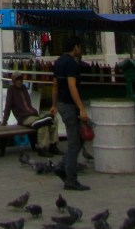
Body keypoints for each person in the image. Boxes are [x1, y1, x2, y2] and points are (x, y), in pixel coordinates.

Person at [52, 36, 90, 192]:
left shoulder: (58, 62)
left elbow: (54, 84)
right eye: (79, 47)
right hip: (69, 104)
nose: (79, 50)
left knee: (78, 139)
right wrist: (81, 107)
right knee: (74, 142)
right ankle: (71, 179)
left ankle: (63, 166)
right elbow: (72, 86)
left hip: (61, 103)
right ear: (75, 47)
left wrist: (54, 105)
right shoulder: (71, 64)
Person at [1, 71, 61, 157]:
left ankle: (53, 145)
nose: (20, 81)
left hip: (33, 115)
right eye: (17, 80)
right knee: (43, 123)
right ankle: (42, 148)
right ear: (13, 81)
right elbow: (8, 107)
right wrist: (4, 121)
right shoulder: (11, 90)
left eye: (21, 79)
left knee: (54, 120)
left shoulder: (24, 88)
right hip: (24, 118)